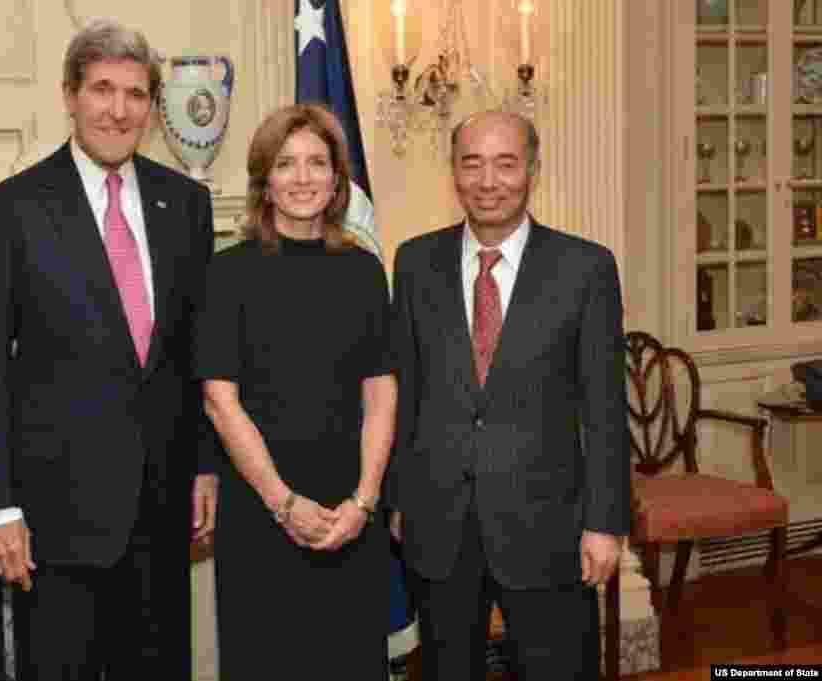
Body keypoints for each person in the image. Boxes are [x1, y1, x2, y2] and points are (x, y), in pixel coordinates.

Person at [0, 17, 217, 681]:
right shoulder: (9, 210)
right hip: (53, 522)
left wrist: (205, 466)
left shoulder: (184, 204)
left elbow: (195, 350)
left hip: (161, 515)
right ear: (69, 95)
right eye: (102, 89)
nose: (118, 109)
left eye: (135, 94)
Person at [386, 110, 630, 680]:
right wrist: (399, 498)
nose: (488, 181)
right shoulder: (415, 262)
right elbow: (408, 391)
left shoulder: (586, 268)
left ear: (533, 171)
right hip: (438, 524)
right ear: (453, 172)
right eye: (472, 163)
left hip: (550, 529)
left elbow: (603, 407)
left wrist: (604, 522)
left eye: (505, 163)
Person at [194, 103, 397, 680]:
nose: (303, 178)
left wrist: (363, 501)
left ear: (337, 177)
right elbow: (218, 399)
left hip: (348, 510)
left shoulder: (362, 271)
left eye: (317, 163)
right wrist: (283, 502)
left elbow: (381, 390)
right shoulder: (226, 272)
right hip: (261, 510)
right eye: (287, 164)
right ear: (265, 179)